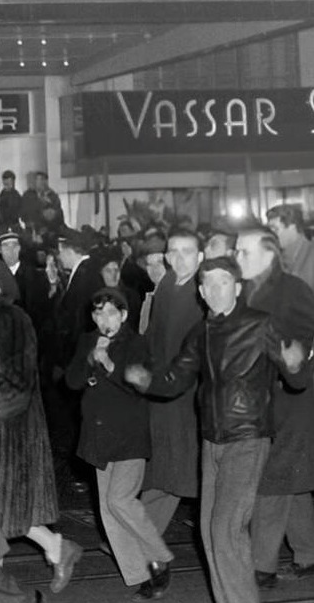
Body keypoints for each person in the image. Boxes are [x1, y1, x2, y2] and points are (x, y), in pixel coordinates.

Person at [126, 257, 309, 603]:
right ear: (200, 291)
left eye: (222, 282)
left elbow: (295, 379)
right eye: (207, 283)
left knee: (226, 530)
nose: (214, 289)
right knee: (211, 534)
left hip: (248, 438)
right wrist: (147, 381)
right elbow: (177, 378)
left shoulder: (260, 325)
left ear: (237, 288)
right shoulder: (202, 331)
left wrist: (297, 363)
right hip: (211, 442)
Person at [0, 255, 82, 593]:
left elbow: (17, 380)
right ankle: (58, 549)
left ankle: (2, 591)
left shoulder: (13, 319)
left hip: (8, 429)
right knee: (1, 507)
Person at [66, 287, 171, 600]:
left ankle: (161, 559)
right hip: (99, 437)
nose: (103, 319)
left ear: (124, 315)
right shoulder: (89, 340)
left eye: (111, 312)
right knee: (108, 511)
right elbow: (71, 380)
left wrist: (109, 364)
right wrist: (90, 357)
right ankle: (141, 573)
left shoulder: (137, 344)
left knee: (119, 500)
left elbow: (138, 387)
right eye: (98, 313)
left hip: (129, 436)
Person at [235, 227, 314, 586]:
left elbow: (304, 338)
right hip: (266, 399)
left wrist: (291, 357)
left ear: (269, 255)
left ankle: (260, 568)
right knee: (291, 479)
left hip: (295, 398)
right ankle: (308, 555)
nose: (238, 258)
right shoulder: (248, 290)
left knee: (273, 480)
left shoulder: (292, 289)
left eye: (244, 252)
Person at [138, 230, 204, 539]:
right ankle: (142, 533)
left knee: (179, 465)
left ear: (199, 256)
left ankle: (143, 535)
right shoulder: (166, 286)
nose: (179, 258)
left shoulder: (203, 290)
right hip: (161, 390)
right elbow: (153, 335)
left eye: (187, 251)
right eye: (173, 252)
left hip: (187, 392)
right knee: (167, 464)